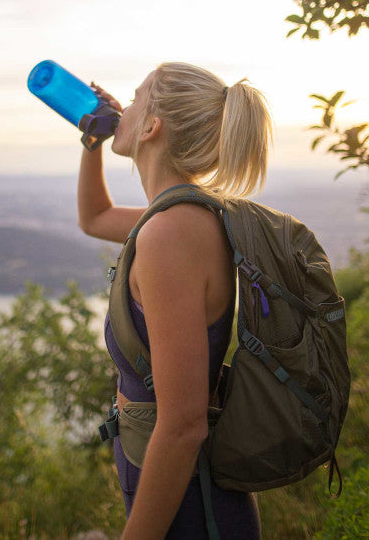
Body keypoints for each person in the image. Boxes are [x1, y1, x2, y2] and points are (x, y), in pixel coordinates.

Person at [77, 62, 272, 540]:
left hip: (191, 504)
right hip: (172, 483)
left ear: (151, 126)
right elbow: (96, 217)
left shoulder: (171, 234)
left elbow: (183, 425)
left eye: (135, 96)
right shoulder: (178, 216)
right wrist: (92, 144)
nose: (119, 105)